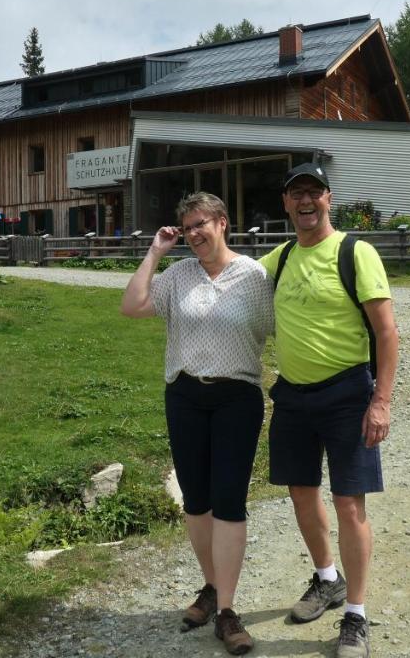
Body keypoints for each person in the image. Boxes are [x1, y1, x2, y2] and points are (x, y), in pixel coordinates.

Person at [120, 192, 273, 656]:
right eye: (186, 227)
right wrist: (155, 252)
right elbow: (132, 306)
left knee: (229, 502)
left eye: (200, 224)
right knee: (196, 502)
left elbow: (276, 327)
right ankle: (210, 587)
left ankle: (226, 611)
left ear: (223, 223)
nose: (193, 234)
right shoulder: (178, 274)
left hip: (236, 397)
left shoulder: (254, 276)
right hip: (185, 395)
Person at [257, 163, 398, 658]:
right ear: (286, 204)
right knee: (300, 492)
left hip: (348, 395)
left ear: (329, 199)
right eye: (296, 194)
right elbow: (233, 277)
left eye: (313, 193)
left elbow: (385, 332)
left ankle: (355, 615)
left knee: (349, 503)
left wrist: (380, 401)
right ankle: (327, 578)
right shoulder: (281, 257)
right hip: (293, 396)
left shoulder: (355, 252)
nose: (305, 202)